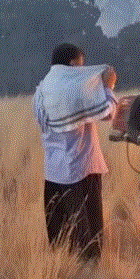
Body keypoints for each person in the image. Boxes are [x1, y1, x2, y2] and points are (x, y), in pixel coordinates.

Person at [34, 43, 117, 261]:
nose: (83, 71)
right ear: (72, 64)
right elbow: (107, 113)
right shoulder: (73, 88)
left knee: (61, 230)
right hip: (81, 168)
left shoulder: (42, 89)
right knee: (88, 229)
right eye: (81, 65)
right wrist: (108, 87)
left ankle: (65, 273)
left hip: (53, 172)